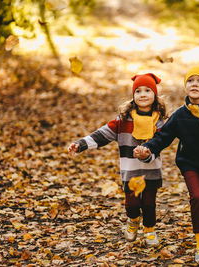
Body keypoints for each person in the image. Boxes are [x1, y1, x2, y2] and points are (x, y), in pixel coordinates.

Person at [133, 65, 199, 264]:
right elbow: (163, 137)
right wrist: (147, 148)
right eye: (190, 80)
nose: (194, 84)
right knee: (197, 197)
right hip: (189, 164)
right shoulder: (180, 115)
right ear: (185, 86)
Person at [68, 73, 167, 247]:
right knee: (132, 204)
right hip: (130, 171)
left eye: (148, 90)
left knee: (149, 204)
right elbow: (101, 135)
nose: (143, 94)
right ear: (133, 96)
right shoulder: (122, 121)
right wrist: (80, 144)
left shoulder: (160, 122)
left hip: (151, 170)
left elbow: (162, 141)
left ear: (155, 95)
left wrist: (147, 154)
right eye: (138, 91)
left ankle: (150, 231)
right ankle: (133, 220)